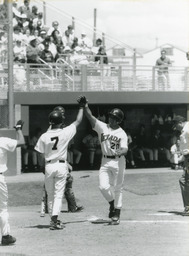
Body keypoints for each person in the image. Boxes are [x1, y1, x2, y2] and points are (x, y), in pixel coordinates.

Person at [78, 96, 128, 225]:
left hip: (118, 161)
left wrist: (120, 151)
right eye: (110, 116)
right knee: (103, 186)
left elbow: (125, 149)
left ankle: (117, 212)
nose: (110, 119)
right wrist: (86, 106)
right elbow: (90, 117)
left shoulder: (122, 133)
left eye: (113, 118)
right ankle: (112, 203)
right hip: (105, 161)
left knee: (118, 188)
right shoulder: (102, 127)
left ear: (118, 121)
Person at [35, 103, 84, 230]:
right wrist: (81, 107)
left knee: (50, 195)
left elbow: (40, 154)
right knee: (57, 195)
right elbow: (78, 121)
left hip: (48, 166)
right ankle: (54, 220)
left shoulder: (44, 135)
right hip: (61, 165)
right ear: (61, 121)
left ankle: (53, 218)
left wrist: (42, 167)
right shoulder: (65, 132)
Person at [0, 120, 25, 245]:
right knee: (2, 208)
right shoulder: (2, 140)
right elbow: (21, 142)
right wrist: (19, 129)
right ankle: (5, 236)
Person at [172, 115, 189, 215]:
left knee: (184, 180)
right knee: (185, 180)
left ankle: (188, 207)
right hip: (187, 158)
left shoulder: (187, 129)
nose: (175, 127)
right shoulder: (185, 129)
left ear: (179, 123)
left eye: (175, 124)